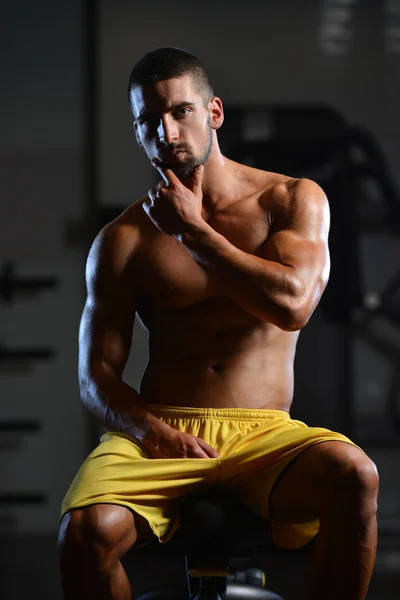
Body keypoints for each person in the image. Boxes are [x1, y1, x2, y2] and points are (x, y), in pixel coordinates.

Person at [57, 47, 379, 600]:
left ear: (214, 113)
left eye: (180, 111)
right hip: (163, 429)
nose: (166, 131)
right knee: (84, 534)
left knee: (356, 476)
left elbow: (293, 305)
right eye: (147, 120)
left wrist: (195, 235)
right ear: (137, 132)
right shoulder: (123, 239)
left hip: (265, 433)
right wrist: (149, 432)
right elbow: (96, 375)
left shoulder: (292, 200)